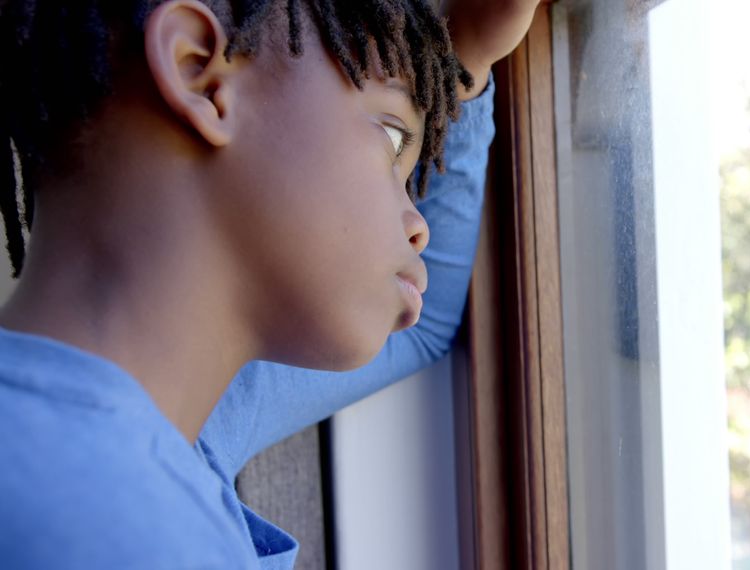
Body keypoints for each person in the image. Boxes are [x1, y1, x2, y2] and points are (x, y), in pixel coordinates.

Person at [0, 0, 538, 567]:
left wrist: (467, 60)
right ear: (198, 73)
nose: (418, 226)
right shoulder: (106, 524)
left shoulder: (166, 427)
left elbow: (420, 323)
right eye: (391, 136)